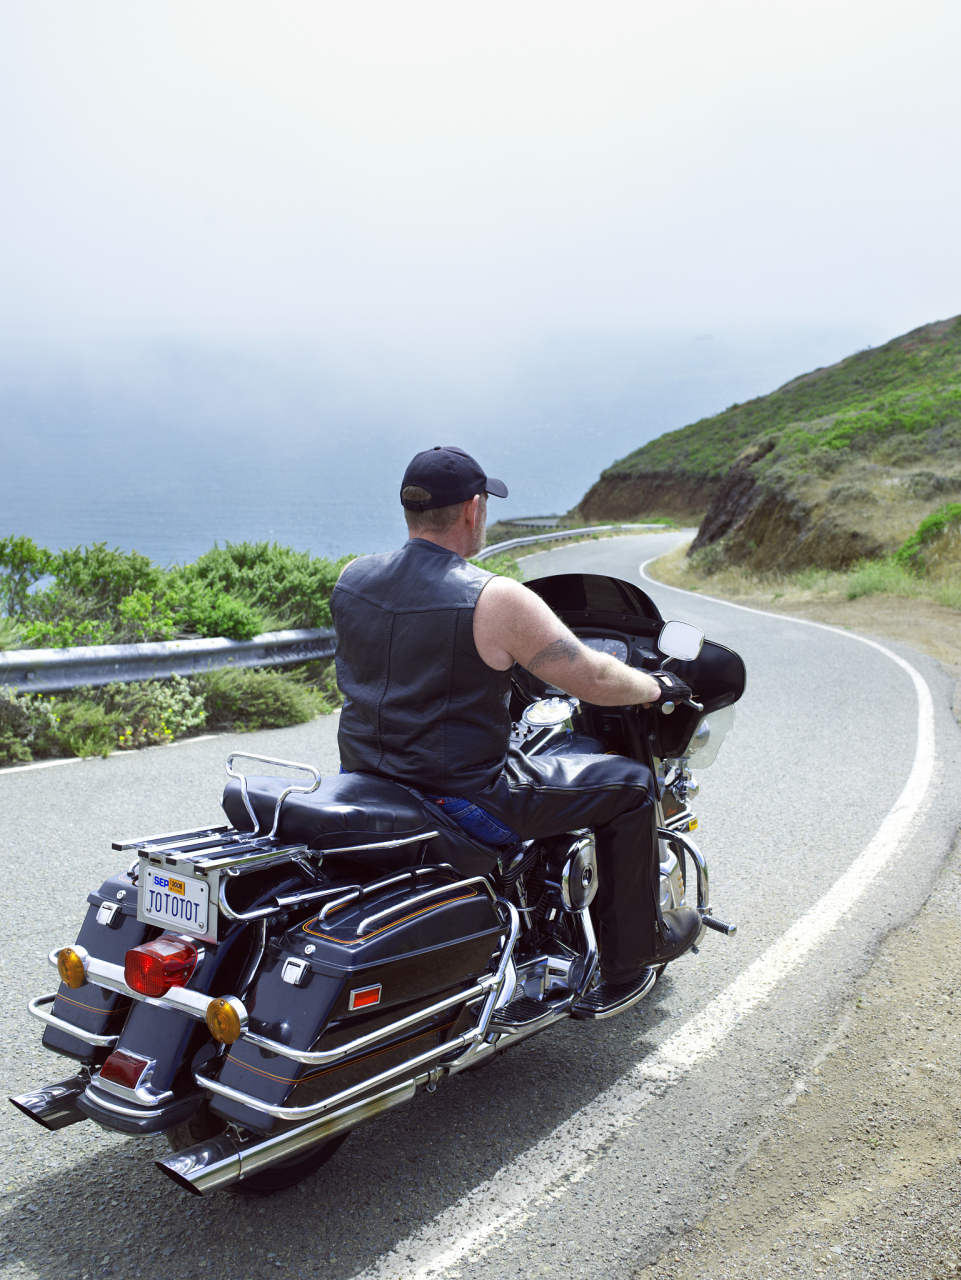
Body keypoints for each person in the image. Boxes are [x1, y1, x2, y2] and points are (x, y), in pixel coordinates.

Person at [330, 445, 701, 1014]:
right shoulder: (493, 597)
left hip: (367, 779)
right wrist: (657, 688)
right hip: (464, 797)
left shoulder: (354, 580)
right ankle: (633, 955)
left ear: (410, 510)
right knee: (628, 786)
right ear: (473, 510)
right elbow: (593, 676)